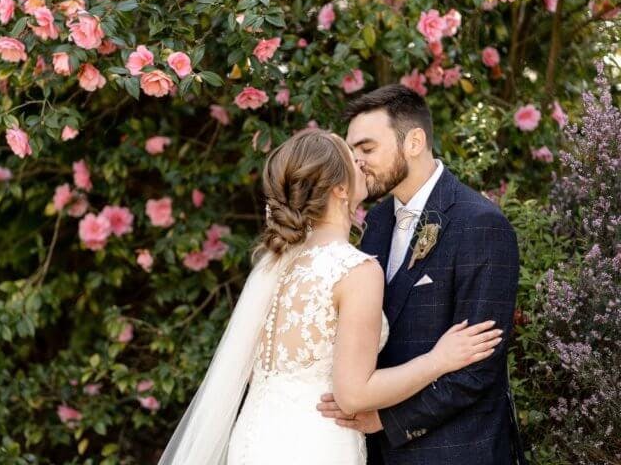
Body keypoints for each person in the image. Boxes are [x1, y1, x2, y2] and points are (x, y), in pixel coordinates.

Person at [158, 126, 504, 465]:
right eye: (354, 160)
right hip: (316, 444)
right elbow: (353, 395)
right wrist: (438, 360)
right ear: (340, 189)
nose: (363, 164)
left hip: (254, 441)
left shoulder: (274, 263)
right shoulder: (355, 271)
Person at [315, 84, 524, 465]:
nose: (356, 162)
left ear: (413, 142)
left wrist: (386, 420)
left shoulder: (481, 225)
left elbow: (478, 370)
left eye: (367, 149)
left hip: (456, 452)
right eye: (352, 152)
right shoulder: (376, 222)